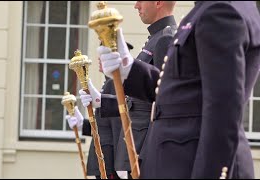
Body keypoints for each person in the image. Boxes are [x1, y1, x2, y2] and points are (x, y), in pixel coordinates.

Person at [98, 1, 260, 178]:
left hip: (188, 166)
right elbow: (180, 93)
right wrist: (128, 70)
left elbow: (222, 112)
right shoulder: (207, 9)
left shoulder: (220, 10)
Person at [79, 1, 178, 178]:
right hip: (133, 151)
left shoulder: (166, 38)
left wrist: (146, 154)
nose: (136, 5)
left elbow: (166, 104)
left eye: (141, 1)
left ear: (158, 2)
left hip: (144, 153)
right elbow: (138, 101)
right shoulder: (154, 39)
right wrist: (102, 101)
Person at [66, 43, 134, 179]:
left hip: (110, 159)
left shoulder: (116, 84)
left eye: (103, 56)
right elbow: (103, 125)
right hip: (104, 157)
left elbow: (118, 127)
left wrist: (122, 162)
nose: (98, 60)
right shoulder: (108, 83)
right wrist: (83, 125)